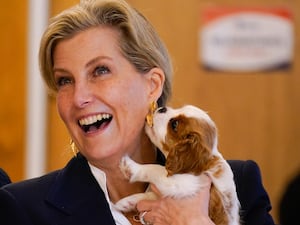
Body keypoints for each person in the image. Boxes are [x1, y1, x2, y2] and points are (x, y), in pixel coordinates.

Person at [0, 0, 275, 224]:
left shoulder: (238, 185)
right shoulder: (22, 210)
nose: (79, 97)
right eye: (65, 80)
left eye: (100, 71)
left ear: (152, 85)